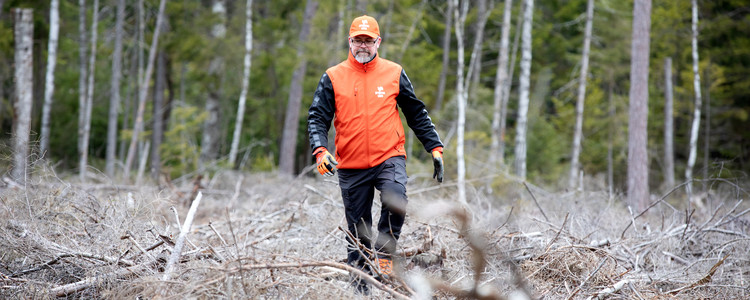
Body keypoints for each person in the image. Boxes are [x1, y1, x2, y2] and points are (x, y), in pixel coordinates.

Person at [307, 15, 444, 294]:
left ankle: (385, 258)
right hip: (350, 163)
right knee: (358, 229)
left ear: (378, 42)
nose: (363, 46)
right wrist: (321, 151)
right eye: (358, 40)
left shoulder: (394, 72)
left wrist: (435, 147)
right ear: (350, 41)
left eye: (368, 41)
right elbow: (317, 117)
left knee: (396, 198)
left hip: (388, 156)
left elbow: (416, 112)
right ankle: (361, 287)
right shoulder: (333, 76)